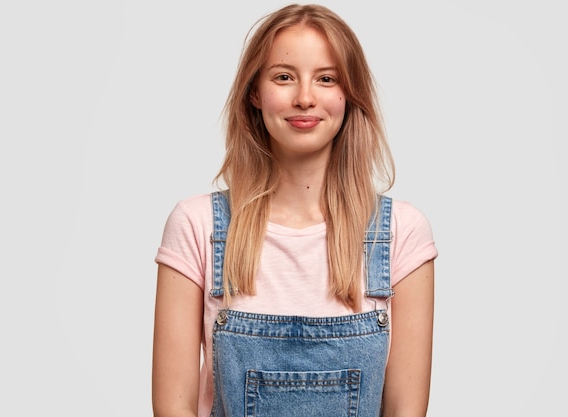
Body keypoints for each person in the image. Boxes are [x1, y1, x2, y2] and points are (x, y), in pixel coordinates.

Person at [152, 4, 437, 417]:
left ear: (349, 94)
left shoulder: (400, 235)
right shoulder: (197, 227)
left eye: (326, 79)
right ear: (255, 92)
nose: (305, 98)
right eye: (284, 77)